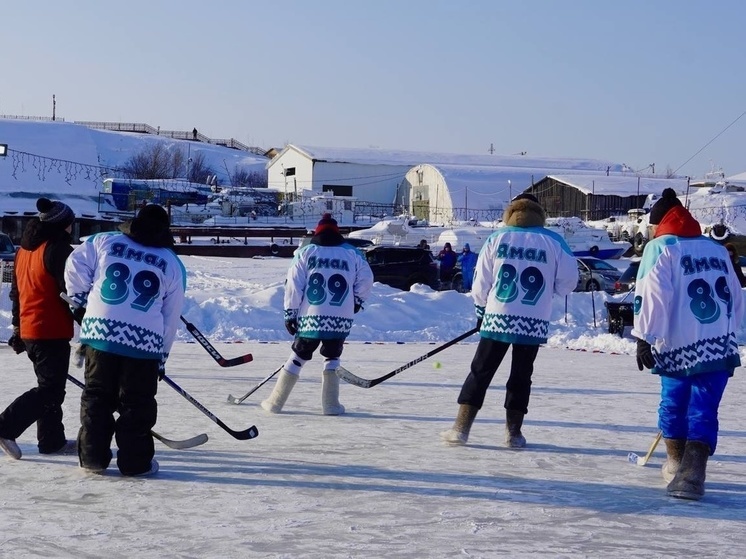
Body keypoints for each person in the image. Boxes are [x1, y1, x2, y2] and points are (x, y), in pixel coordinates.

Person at [631, 188, 744, 500]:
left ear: (657, 224)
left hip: (676, 345)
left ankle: (677, 463)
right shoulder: (717, 248)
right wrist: (732, 333)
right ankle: (692, 474)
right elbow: (736, 294)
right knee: (704, 408)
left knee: (674, 403)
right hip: (719, 345)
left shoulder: (660, 248)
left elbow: (652, 295)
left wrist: (644, 335)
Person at [441, 194, 577, 448]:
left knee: (480, 371)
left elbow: (481, 281)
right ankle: (513, 434)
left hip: (498, 316)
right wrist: (551, 290)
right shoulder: (554, 241)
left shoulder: (497, 237)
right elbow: (569, 281)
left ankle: (461, 428)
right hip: (533, 319)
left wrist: (481, 310)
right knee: (521, 375)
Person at [64, 204, 186, 477]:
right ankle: (135, 463)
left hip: (101, 334)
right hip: (144, 343)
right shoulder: (172, 262)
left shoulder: (104, 240)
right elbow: (171, 315)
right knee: (137, 404)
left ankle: (92, 458)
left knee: (97, 397)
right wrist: (162, 356)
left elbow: (74, 263)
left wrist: (79, 301)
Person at [261, 213, 374, 415]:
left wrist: (290, 313)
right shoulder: (353, 253)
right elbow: (366, 280)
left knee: (298, 355)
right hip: (340, 318)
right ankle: (330, 405)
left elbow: (294, 286)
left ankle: (275, 402)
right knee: (332, 356)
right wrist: (357, 301)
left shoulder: (306, 252)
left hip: (310, 317)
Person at [0, 198, 78, 460]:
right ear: (64, 225)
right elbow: (72, 293)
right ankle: (4, 426)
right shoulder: (58, 250)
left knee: (49, 386)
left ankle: (51, 440)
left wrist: (17, 328)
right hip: (50, 329)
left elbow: (16, 293)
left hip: (32, 329)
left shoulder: (24, 250)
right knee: (50, 390)